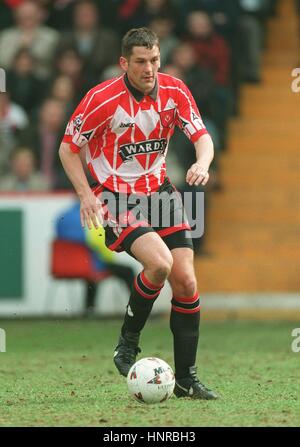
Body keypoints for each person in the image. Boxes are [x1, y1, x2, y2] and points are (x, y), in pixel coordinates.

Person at [59, 27, 217, 400]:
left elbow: (202, 137)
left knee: (187, 282)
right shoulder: (102, 99)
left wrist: (203, 162)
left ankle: (186, 380)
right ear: (124, 63)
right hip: (115, 196)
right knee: (159, 265)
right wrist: (86, 196)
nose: (150, 69)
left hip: (160, 192)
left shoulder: (175, 91)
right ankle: (127, 343)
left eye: (155, 60)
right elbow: (68, 148)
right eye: (141, 62)